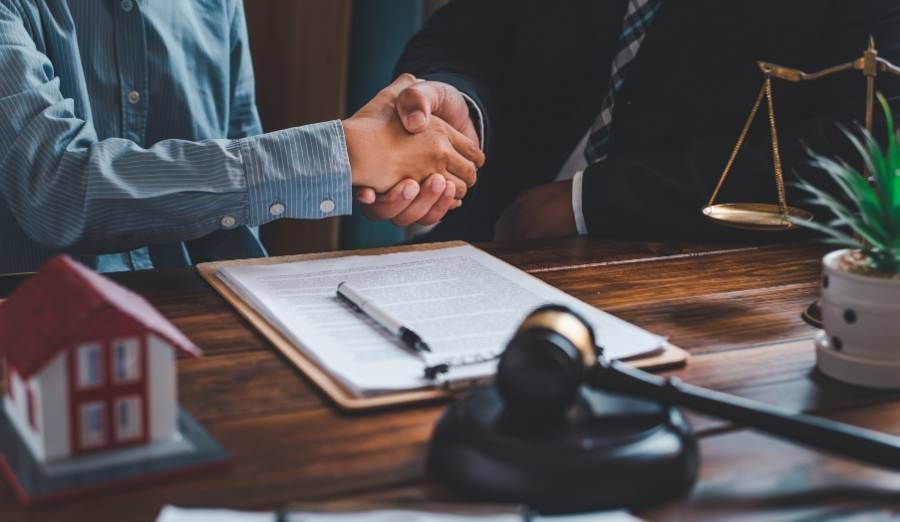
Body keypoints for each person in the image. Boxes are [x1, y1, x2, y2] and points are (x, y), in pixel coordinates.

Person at [0, 0, 484, 274]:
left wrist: (374, 171)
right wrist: (342, 154)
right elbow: (55, 187)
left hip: (208, 328)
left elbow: (237, 208)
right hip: (35, 350)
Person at [362, 0, 900, 242]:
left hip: (697, 271)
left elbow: (864, 144)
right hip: (485, 239)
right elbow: (460, 37)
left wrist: (588, 203)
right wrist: (453, 105)